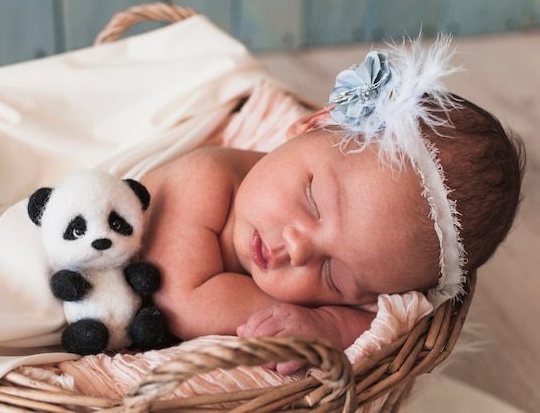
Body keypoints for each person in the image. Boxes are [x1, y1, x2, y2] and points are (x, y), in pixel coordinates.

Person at [138, 35, 525, 375]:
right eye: (312, 202)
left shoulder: (367, 281)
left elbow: (374, 327)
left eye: (333, 275)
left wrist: (328, 327)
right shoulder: (205, 177)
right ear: (310, 126)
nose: (298, 247)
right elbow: (179, 301)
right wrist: (298, 316)